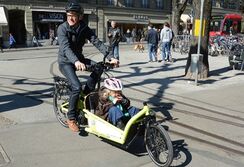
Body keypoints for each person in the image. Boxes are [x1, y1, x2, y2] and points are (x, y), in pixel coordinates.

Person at [57, 1, 119, 132]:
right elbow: (66, 48)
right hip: (66, 62)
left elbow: (96, 41)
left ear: (80, 16)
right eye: (68, 15)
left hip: (79, 59)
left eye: (73, 15)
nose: (70, 18)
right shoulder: (62, 28)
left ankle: (85, 96)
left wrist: (110, 57)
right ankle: (71, 118)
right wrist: (76, 62)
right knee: (76, 86)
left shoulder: (83, 28)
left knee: (99, 67)